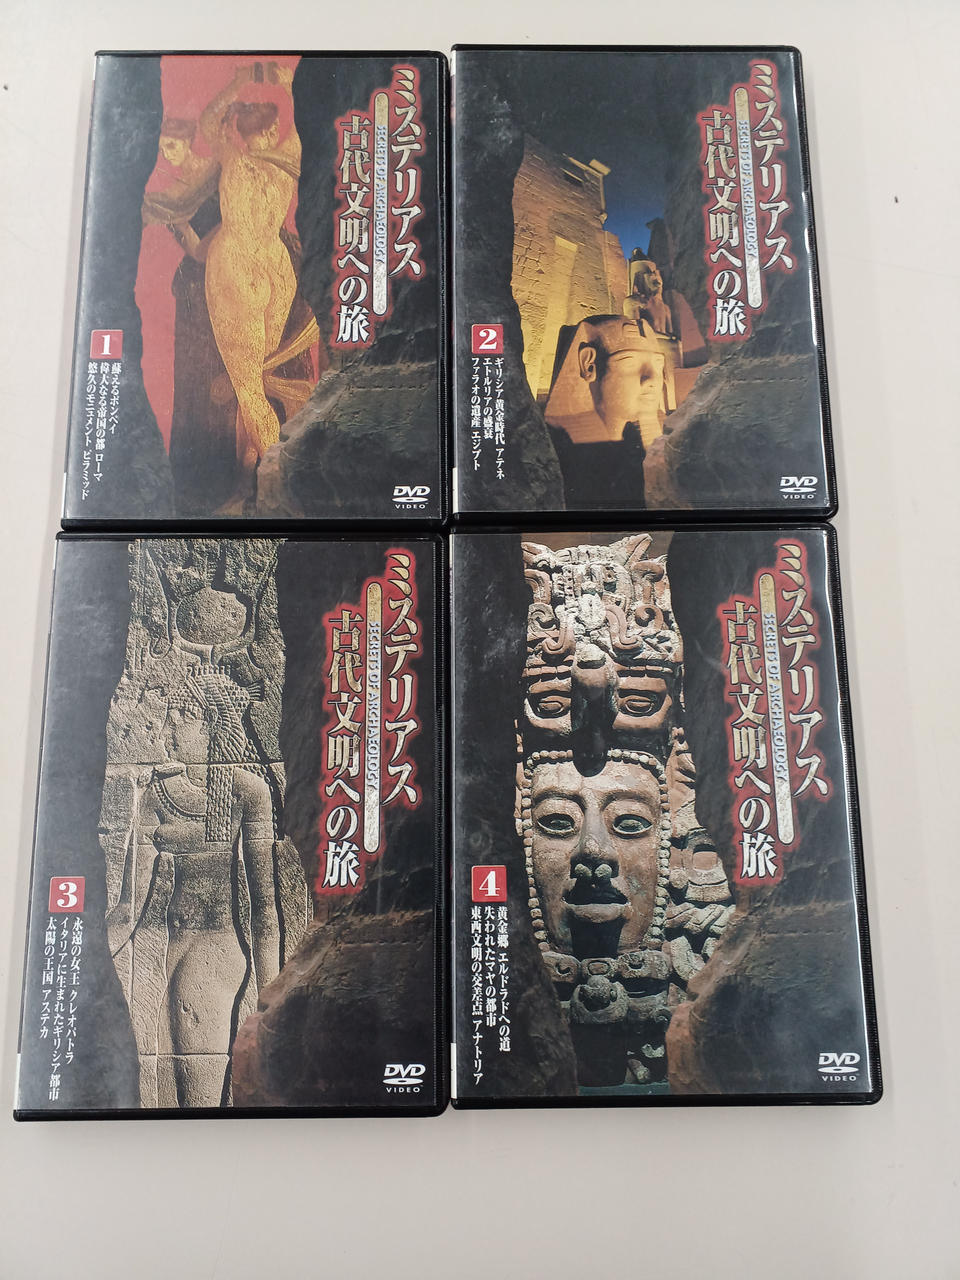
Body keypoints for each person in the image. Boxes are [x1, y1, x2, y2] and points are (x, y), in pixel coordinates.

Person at [105, 669, 287, 1108]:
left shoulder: (248, 792)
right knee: (163, 1087)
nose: (167, 730)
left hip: (216, 953)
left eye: (179, 718)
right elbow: (129, 906)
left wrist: (272, 995)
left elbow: (265, 910)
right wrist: (98, 954)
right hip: (171, 949)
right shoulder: (158, 793)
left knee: (198, 1092)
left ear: (209, 724)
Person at [199, 64, 302, 488]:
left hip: (238, 266)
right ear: (274, 129)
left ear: (240, 132)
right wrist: (289, 85)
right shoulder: (288, 156)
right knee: (255, 381)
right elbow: (310, 117)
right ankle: (249, 471)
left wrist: (237, 81)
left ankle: (278, 485)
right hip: (276, 270)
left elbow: (208, 123)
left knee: (249, 388)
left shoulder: (235, 158)